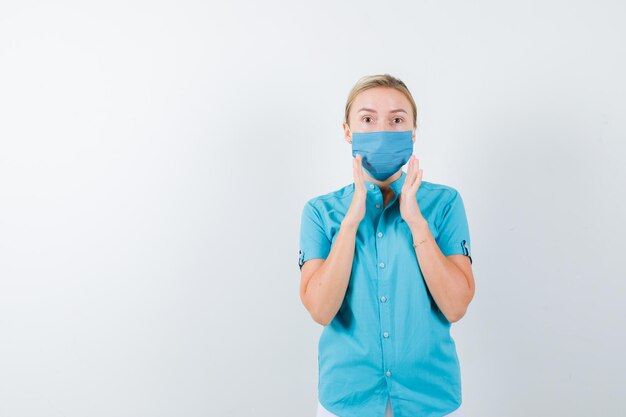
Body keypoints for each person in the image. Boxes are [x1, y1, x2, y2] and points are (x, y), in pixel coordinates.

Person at [298, 74, 475, 417]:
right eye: (367, 119)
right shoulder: (321, 213)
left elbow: (456, 306)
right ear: (348, 131)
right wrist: (350, 223)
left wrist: (416, 222)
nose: (383, 129)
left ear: (412, 132)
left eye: (396, 120)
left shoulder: (445, 203)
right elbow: (320, 310)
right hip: (347, 400)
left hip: (430, 397)